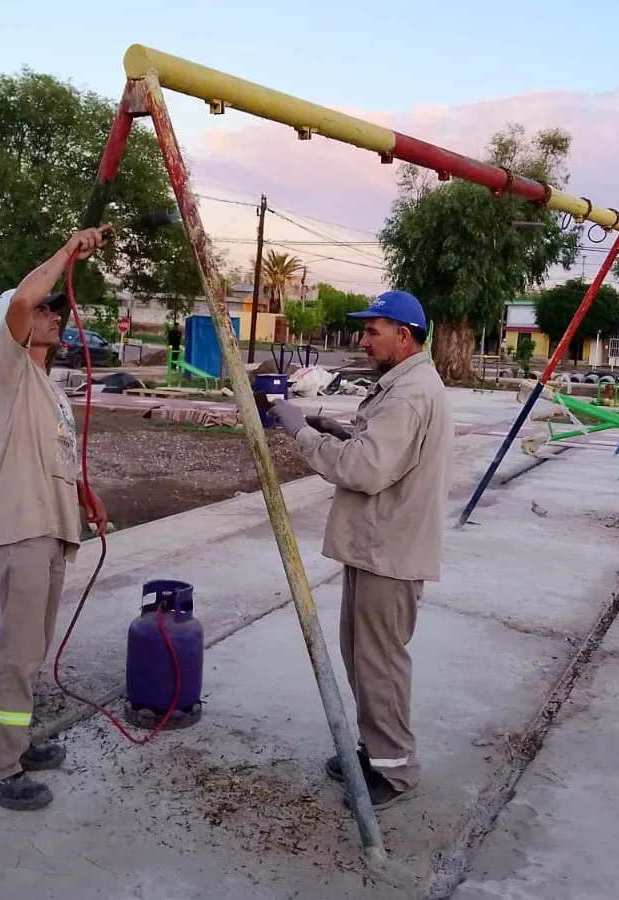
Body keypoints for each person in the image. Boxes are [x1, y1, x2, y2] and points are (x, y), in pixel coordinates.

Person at [266, 290, 452, 809]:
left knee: (379, 663)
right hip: (378, 545)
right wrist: (339, 432)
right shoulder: (404, 387)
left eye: (373, 331)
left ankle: (394, 772)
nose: (363, 340)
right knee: (363, 657)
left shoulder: (411, 393)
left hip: (389, 551)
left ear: (405, 335)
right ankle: (376, 750)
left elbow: (364, 469)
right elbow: (382, 453)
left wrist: (302, 432)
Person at [0, 227, 112, 812]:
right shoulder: (5, 368)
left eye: (58, 310)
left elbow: (54, 453)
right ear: (18, 326)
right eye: (49, 312)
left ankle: (16, 745)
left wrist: (85, 493)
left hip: (52, 527)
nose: (57, 316)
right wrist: (68, 251)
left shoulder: (47, 388)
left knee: (34, 647)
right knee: (19, 652)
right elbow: (26, 301)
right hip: (22, 528)